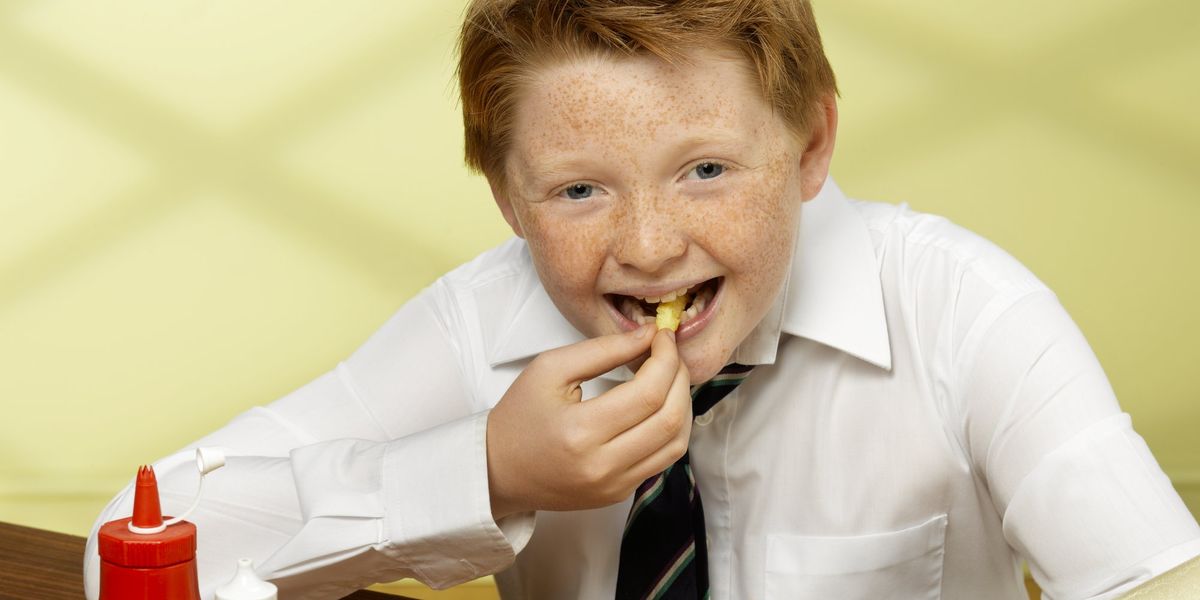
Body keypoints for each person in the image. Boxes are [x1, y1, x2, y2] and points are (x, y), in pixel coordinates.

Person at [84, 1, 1200, 599]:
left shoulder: (964, 312)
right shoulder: (483, 322)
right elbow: (125, 544)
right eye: (579, 190)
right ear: (507, 198)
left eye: (706, 170)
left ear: (811, 143)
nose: (652, 249)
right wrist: (486, 470)